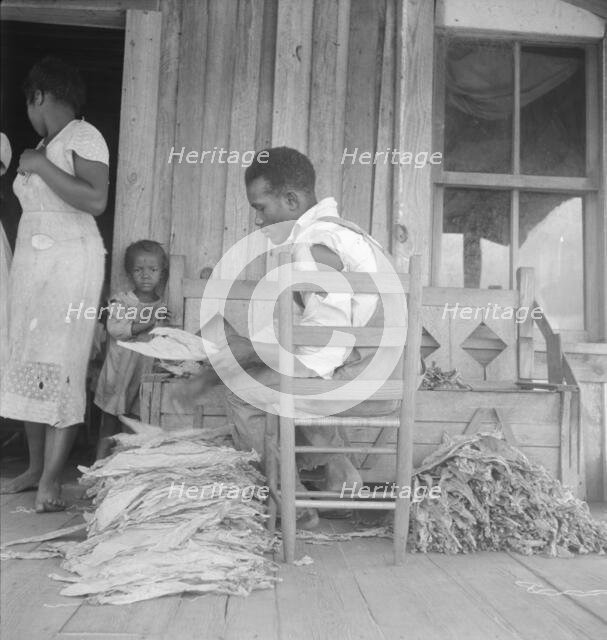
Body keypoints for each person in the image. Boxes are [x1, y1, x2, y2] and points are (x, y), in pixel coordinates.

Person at [209, 146, 406, 528]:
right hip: (393, 373)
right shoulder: (347, 234)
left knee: (245, 392)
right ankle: (341, 488)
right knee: (287, 381)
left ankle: (291, 500)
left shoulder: (310, 248)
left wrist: (248, 355)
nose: (257, 221)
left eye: (261, 208)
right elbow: (315, 332)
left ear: (291, 200)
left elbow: (321, 351)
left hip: (364, 379)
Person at [0, 57, 109, 512]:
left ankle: (51, 479)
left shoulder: (83, 136)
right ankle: (32, 467)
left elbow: (96, 199)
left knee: (61, 364)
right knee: (31, 363)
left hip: (70, 262)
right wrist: (40, 159)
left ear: (39, 97)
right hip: (34, 266)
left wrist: (41, 166)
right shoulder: (46, 143)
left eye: (29, 104)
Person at [94, 240, 169, 458]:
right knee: (109, 422)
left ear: (162, 273)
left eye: (153, 270)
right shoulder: (121, 301)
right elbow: (116, 329)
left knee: (135, 423)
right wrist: (149, 321)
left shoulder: (162, 306)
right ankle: (97, 466)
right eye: (138, 270)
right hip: (118, 375)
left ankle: (122, 466)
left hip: (142, 375)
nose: (146, 275)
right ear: (129, 273)